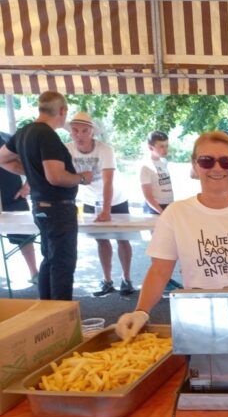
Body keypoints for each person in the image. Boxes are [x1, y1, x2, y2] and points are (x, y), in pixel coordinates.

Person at [115, 131, 228, 341]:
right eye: (207, 161)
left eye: (226, 161)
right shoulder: (176, 214)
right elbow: (159, 271)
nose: (217, 168)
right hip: (200, 318)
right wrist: (141, 311)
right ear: (195, 166)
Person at [0, 91, 93, 300]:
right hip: (58, 207)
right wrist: (82, 178)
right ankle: (60, 319)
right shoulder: (47, 135)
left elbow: (3, 159)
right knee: (62, 263)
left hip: (40, 206)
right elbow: (56, 177)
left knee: (49, 259)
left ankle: (47, 313)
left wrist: (33, 172)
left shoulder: (24, 132)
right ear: (62, 111)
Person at [65, 111, 135, 297]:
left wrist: (106, 210)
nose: (79, 135)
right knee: (101, 239)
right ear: (70, 132)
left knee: (122, 238)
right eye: (75, 131)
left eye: (84, 131)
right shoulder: (66, 149)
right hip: (89, 200)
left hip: (116, 199)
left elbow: (108, 181)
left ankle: (126, 279)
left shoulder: (105, 149)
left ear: (92, 132)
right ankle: (107, 280)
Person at [0, 134, 38, 284]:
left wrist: (27, 186)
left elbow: (32, 162)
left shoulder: (7, 139)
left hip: (14, 198)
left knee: (25, 239)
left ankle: (35, 273)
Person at [140, 131, 174, 215]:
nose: (165, 149)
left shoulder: (164, 161)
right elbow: (148, 196)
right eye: (161, 146)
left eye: (166, 146)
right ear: (150, 147)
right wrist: (162, 213)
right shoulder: (145, 166)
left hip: (169, 206)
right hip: (155, 209)